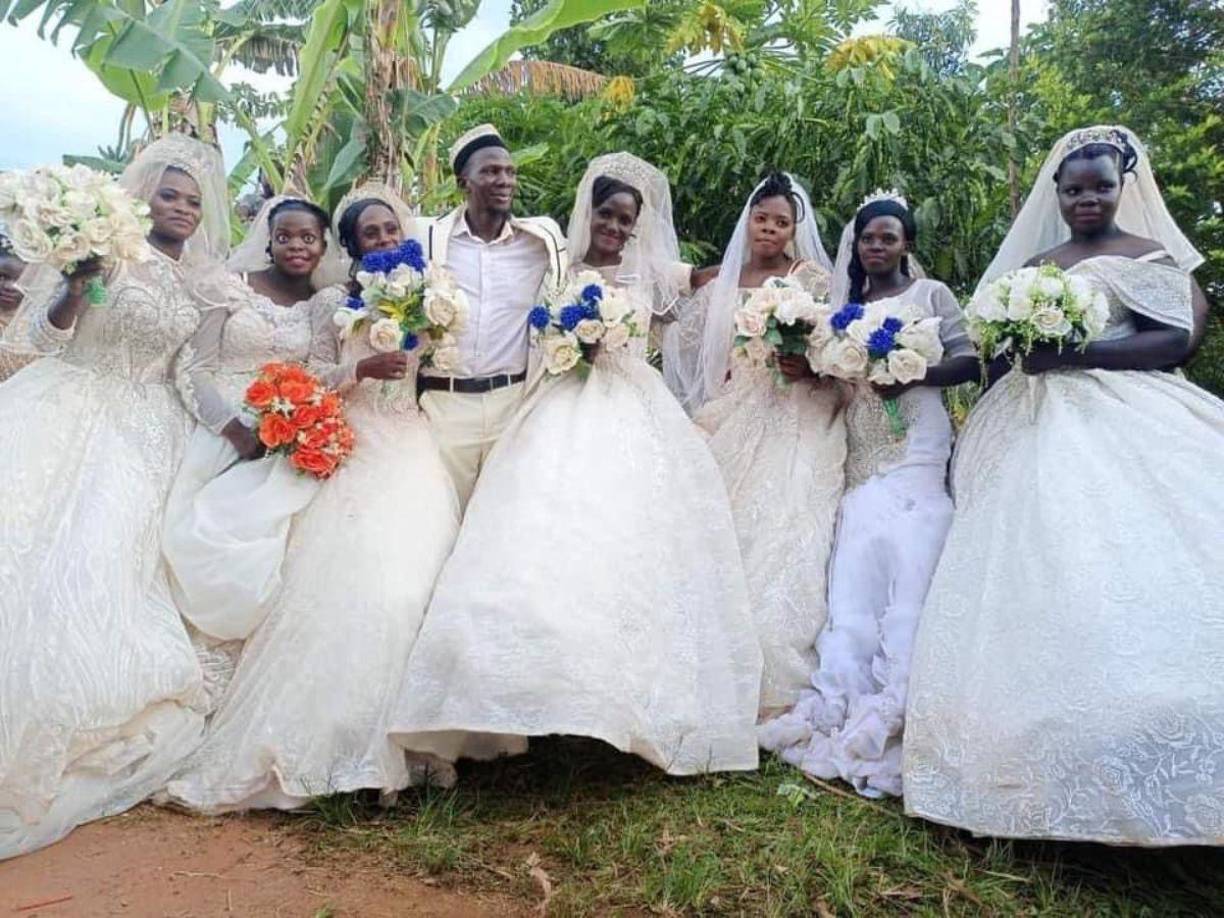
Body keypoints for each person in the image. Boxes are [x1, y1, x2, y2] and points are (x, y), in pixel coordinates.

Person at [903, 126, 1224, 845]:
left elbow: (1175, 340)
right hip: (1030, 421)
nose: (1087, 198)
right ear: (1058, 193)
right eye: (1074, 188)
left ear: (1123, 187)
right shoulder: (1038, 264)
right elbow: (999, 351)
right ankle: (1026, 749)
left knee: (1129, 553)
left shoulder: (1149, 257)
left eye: (1100, 186)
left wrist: (1077, 350)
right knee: (1035, 561)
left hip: (1124, 417)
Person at [389, 153, 761, 774]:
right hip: (556, 402)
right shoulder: (554, 258)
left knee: (623, 545)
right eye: (607, 215)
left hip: (633, 408)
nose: (615, 227)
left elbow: (717, 281)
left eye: (626, 220)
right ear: (588, 213)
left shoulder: (651, 272)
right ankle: (512, 698)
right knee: (530, 541)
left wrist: (788, 292)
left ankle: (620, 697)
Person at [163, 183, 460, 813]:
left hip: (411, 446)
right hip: (354, 446)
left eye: (391, 229)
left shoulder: (435, 295)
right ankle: (340, 744)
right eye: (369, 233)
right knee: (347, 587)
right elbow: (319, 373)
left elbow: (446, 359)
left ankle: (415, 741)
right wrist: (355, 374)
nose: (384, 240)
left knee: (416, 585)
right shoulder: (336, 303)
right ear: (347, 249)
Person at [0, 134, 230, 859]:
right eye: (170, 195)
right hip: (68, 405)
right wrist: (75, 283)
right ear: (140, 197)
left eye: (194, 200)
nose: (184, 209)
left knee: (114, 562)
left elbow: (191, 373)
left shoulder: (201, 284)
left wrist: (239, 428)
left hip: (149, 433)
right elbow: (43, 334)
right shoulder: (106, 256)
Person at [758, 192, 977, 797]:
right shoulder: (845, 307)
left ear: (906, 243)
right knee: (857, 559)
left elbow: (970, 362)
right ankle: (844, 695)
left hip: (918, 441)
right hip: (864, 441)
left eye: (887, 237)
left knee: (910, 552)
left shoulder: (931, 298)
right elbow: (831, 372)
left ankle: (904, 698)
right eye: (867, 239)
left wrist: (911, 370)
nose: (876, 247)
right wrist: (808, 366)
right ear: (855, 246)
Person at [162, 196, 345, 700]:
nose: (296, 246)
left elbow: (321, 375)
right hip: (219, 430)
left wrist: (301, 422)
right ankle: (188, 659)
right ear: (268, 238)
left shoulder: (321, 306)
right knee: (195, 534)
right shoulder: (229, 288)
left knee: (277, 546)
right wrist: (233, 429)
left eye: (308, 237)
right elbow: (192, 368)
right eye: (285, 235)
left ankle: (253, 676)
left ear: (323, 243)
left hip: (284, 437)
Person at [682, 173, 847, 716]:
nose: (770, 229)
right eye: (762, 219)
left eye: (782, 222)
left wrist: (806, 365)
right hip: (737, 404)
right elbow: (700, 346)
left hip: (798, 406)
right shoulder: (722, 280)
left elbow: (833, 350)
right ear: (747, 220)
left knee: (784, 517)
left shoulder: (812, 280)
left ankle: (774, 668)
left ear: (795, 229)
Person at [412, 124, 567, 509]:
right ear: (464, 180)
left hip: (513, 405)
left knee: (502, 525)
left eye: (510, 172)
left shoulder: (541, 242)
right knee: (440, 519)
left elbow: (596, 255)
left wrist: (686, 276)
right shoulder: (425, 237)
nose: (504, 180)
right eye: (491, 171)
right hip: (442, 406)